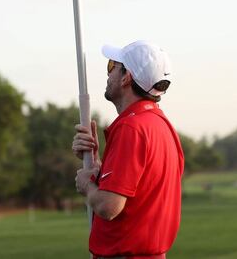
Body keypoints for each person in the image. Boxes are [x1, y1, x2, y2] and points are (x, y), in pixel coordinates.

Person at [72, 40, 184, 259]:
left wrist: (86, 184)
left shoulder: (131, 128)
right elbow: (138, 194)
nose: (108, 74)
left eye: (112, 66)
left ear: (126, 77)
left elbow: (108, 206)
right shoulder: (162, 125)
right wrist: (95, 165)